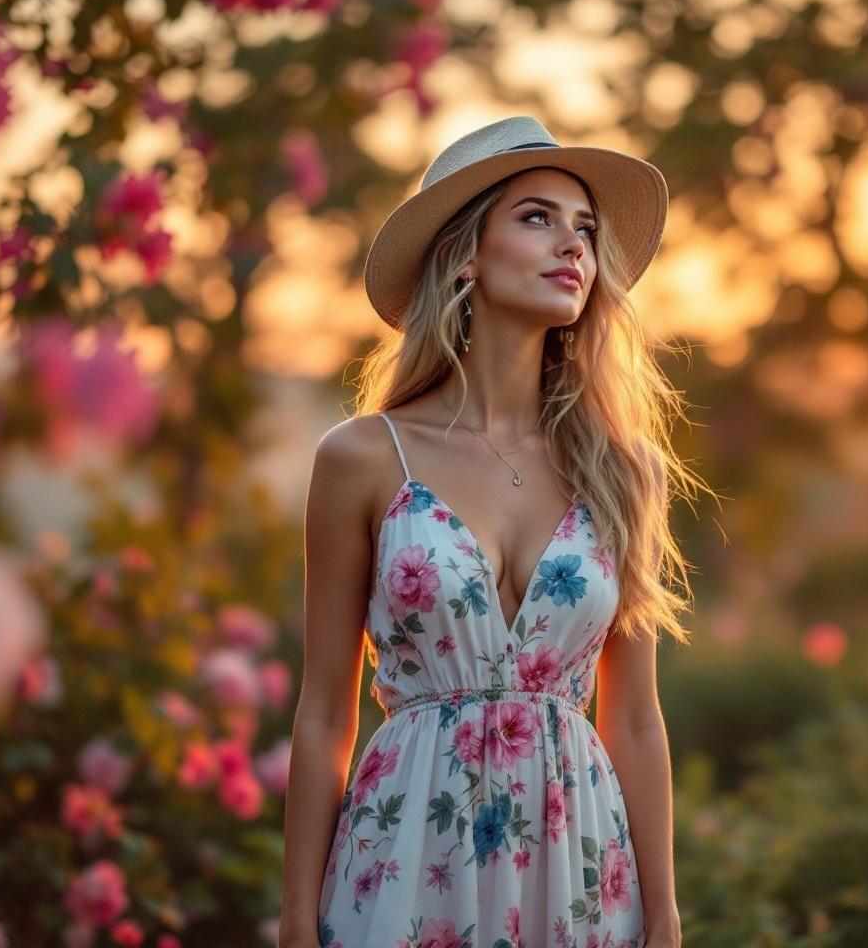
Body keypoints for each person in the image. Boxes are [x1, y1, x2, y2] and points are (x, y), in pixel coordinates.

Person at [279, 116, 708, 948]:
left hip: (577, 868)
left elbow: (634, 720)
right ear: (464, 255)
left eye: (586, 228)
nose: (573, 244)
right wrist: (297, 921)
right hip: (405, 862)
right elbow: (325, 712)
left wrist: (664, 916)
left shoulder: (624, 471)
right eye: (537, 217)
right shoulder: (366, 457)